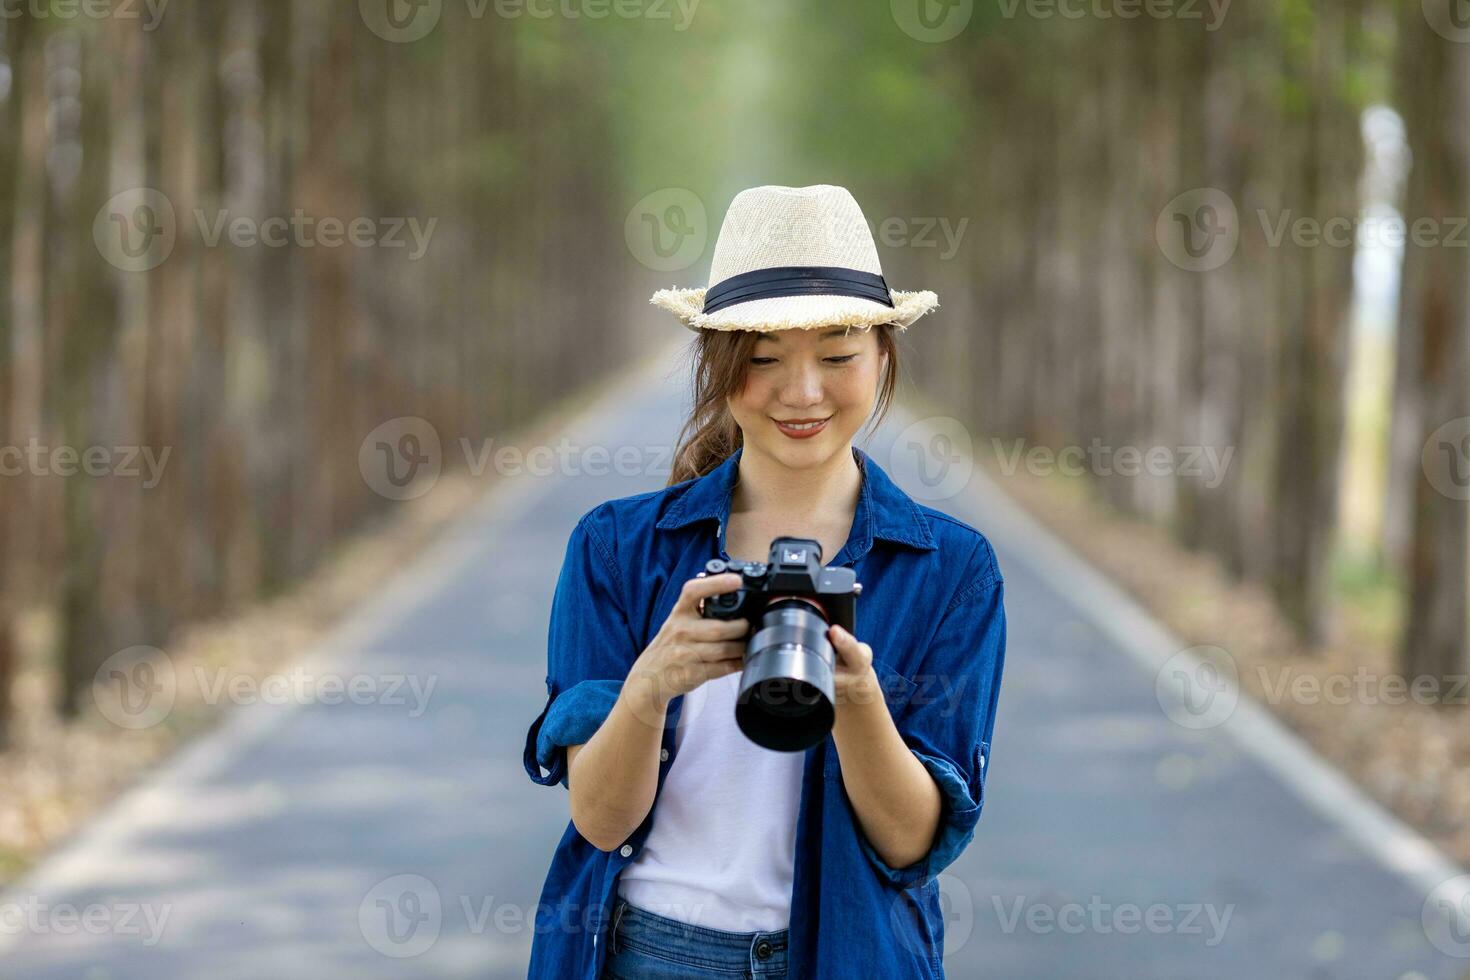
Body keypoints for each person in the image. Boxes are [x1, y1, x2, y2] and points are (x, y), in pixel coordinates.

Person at [523, 184, 1006, 979]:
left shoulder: (950, 571)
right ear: (717, 367)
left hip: (847, 960)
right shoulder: (616, 549)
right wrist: (652, 684)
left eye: (839, 357)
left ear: (884, 354)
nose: (803, 392)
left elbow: (911, 843)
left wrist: (856, 699)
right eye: (763, 360)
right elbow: (602, 822)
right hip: (650, 955)